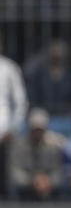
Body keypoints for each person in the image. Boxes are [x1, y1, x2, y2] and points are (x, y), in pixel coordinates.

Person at [8, 108, 65, 201]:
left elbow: (58, 173)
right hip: (25, 192)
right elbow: (14, 174)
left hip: (48, 190)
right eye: (35, 130)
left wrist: (47, 181)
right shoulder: (18, 147)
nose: (38, 133)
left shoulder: (53, 147)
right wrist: (33, 180)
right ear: (29, 128)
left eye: (40, 130)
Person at [0, 35, 28, 198]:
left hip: (5, 130)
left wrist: (13, 128)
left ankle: (8, 197)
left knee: (7, 169)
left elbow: (20, 102)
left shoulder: (9, 68)